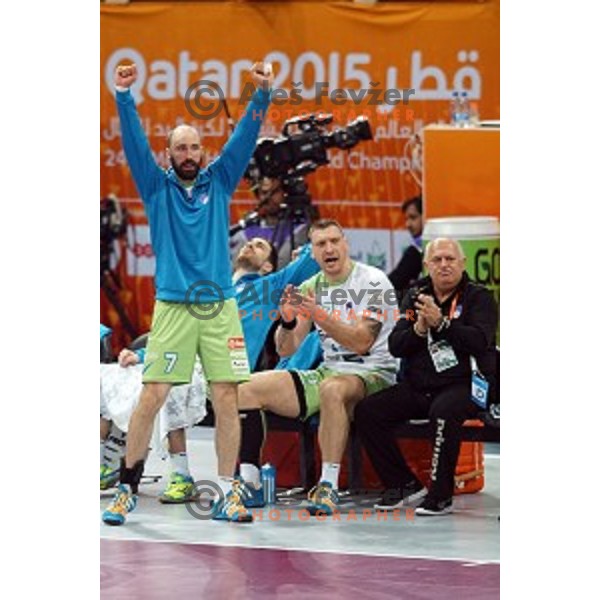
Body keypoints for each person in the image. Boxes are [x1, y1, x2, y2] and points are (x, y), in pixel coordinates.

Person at [102, 61, 273, 526]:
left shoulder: (220, 180)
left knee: (226, 396)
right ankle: (125, 489)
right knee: (152, 394)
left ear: (204, 151)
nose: (189, 152)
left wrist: (261, 95)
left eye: (196, 145)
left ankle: (226, 493)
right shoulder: (156, 187)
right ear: (169, 153)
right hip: (175, 306)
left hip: (219, 308)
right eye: (181, 147)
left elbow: (243, 139)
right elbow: (133, 143)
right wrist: (123, 95)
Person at [101, 237, 320, 507]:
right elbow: (178, 336)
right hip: (186, 360)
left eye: (260, 246)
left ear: (267, 267)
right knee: (109, 377)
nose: (250, 245)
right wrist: (142, 355)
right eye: (249, 242)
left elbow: (311, 262)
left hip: (222, 371)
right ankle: (109, 458)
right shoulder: (212, 290)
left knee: (174, 384)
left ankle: (181, 475)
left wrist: (304, 251)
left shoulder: (268, 287)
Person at [236, 219, 399, 515]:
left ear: (346, 244)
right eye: (321, 244)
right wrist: (286, 320)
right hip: (329, 371)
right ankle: (250, 481)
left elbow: (362, 342)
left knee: (332, 389)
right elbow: (288, 348)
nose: (329, 248)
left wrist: (318, 314)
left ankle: (327, 485)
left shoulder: (373, 281)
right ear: (312, 254)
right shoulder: (310, 286)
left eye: (334, 241)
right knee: (245, 388)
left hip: (374, 372)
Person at [354, 237, 498, 516]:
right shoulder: (416, 295)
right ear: (427, 265)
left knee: (444, 410)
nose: (444, 265)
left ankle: (441, 495)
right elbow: (396, 345)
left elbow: (480, 341)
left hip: (465, 384)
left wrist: (442, 324)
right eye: (437, 260)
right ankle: (402, 483)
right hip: (421, 384)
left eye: (450, 259)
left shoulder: (479, 297)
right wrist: (419, 329)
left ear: (462, 263)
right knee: (368, 411)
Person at [229, 176, 315, 268]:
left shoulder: (301, 231)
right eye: (264, 192)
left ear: (285, 194)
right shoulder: (242, 233)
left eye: (275, 192)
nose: (267, 197)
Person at [388, 196, 423, 300]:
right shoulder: (415, 250)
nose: (408, 224)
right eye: (406, 219)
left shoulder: (415, 252)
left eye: (413, 217)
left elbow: (393, 283)